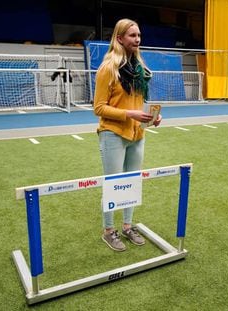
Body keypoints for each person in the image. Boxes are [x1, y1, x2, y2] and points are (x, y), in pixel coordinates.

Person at [93, 18, 162, 251]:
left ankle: (127, 226)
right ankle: (108, 230)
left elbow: (139, 102)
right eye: (132, 35)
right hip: (112, 133)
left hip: (137, 134)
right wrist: (129, 114)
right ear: (119, 38)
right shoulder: (108, 68)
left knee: (131, 183)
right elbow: (99, 108)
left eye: (139, 35)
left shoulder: (140, 68)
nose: (137, 39)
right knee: (113, 184)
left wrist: (151, 117)